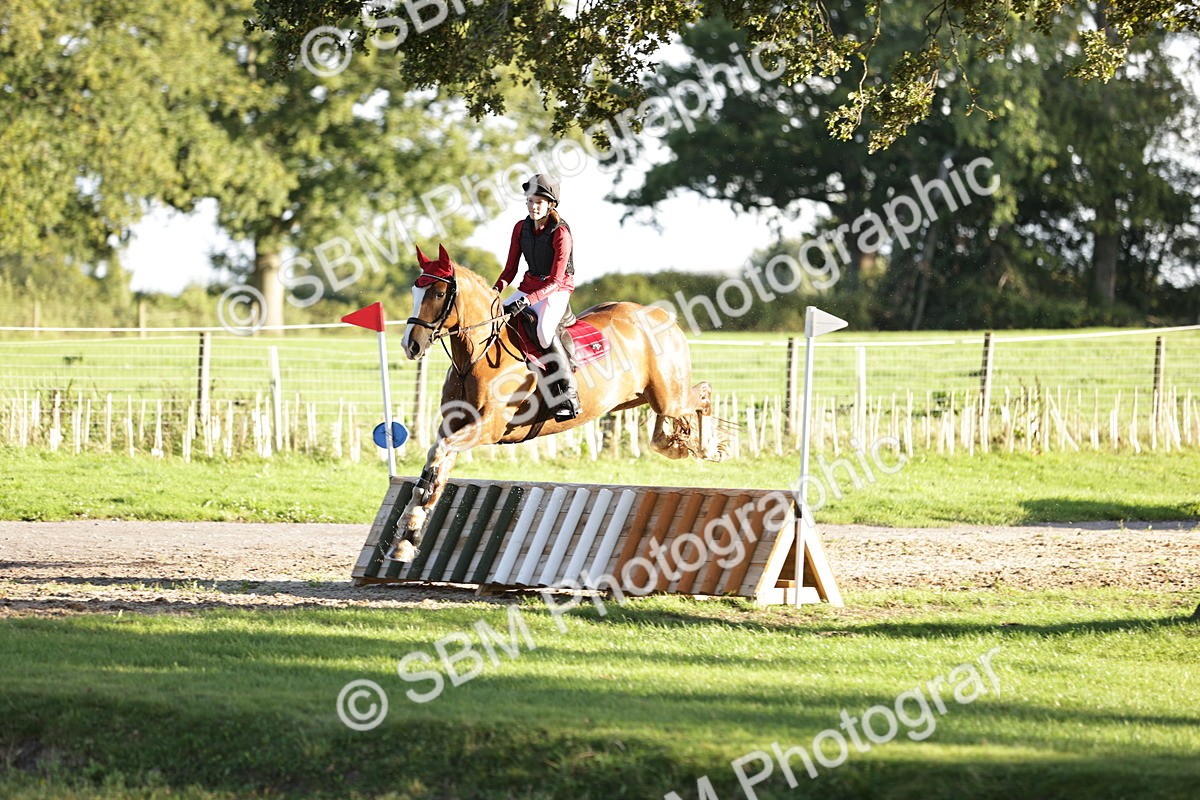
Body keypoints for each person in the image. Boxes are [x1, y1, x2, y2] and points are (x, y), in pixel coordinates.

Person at [493, 173, 582, 421]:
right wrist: (495, 291)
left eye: (539, 202)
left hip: (558, 288)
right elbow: (510, 270)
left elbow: (555, 280)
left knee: (543, 330)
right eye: (530, 201)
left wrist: (527, 301)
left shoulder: (560, 232)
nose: (533, 206)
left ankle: (569, 393)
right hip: (530, 285)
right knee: (496, 318)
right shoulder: (520, 228)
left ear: (551, 204)